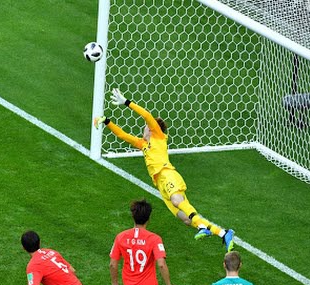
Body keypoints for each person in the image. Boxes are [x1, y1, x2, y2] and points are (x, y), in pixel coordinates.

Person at [94, 88, 235, 251]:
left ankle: (202, 226)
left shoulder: (158, 136)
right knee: (186, 219)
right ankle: (223, 233)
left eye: (146, 127)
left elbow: (146, 115)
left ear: (151, 128)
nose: (144, 128)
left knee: (177, 201)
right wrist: (107, 121)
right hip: (160, 184)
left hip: (168, 174)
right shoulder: (143, 144)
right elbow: (123, 135)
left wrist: (126, 102)